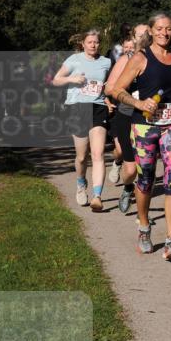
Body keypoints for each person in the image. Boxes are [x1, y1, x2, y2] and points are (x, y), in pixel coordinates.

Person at [111, 12, 171, 261]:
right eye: (159, 29)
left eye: (168, 29)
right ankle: (144, 228)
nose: (164, 33)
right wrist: (139, 103)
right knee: (146, 177)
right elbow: (115, 89)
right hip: (144, 126)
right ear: (150, 30)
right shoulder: (140, 57)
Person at [52, 30, 112, 212]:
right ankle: (80, 183)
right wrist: (72, 78)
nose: (93, 45)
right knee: (81, 156)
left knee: (98, 153)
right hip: (77, 107)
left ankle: (97, 196)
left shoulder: (106, 62)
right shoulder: (74, 60)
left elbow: (108, 85)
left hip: (98, 107)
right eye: (90, 42)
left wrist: (108, 97)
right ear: (83, 44)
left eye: (96, 42)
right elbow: (56, 80)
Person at [105, 24, 149, 214]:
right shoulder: (126, 59)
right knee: (130, 170)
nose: (146, 37)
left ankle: (142, 214)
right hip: (126, 115)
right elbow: (109, 89)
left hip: (148, 118)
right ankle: (127, 187)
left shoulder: (157, 59)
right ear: (134, 37)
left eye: (148, 33)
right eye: (141, 34)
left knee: (146, 167)